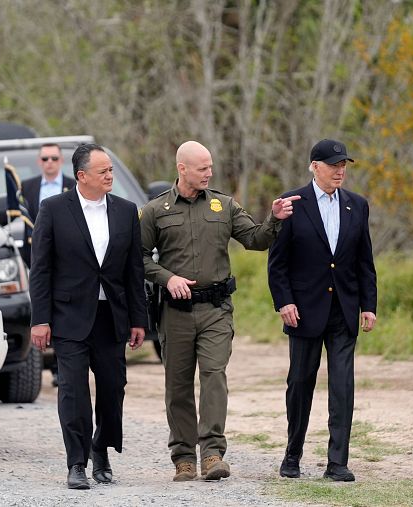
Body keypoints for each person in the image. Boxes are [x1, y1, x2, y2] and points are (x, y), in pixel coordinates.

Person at [140, 140, 299, 482]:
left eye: (210, 166)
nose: (209, 173)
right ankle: (183, 457)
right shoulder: (156, 210)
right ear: (182, 169)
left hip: (216, 310)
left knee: (214, 376)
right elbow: (137, 258)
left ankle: (212, 453)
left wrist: (274, 218)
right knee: (178, 385)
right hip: (175, 312)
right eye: (202, 168)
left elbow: (256, 239)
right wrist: (167, 278)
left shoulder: (223, 205)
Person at [29, 143, 147, 490]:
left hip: (110, 316)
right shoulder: (53, 210)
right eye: (103, 171)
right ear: (82, 176)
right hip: (68, 317)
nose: (110, 175)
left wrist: (138, 319)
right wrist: (40, 318)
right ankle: (77, 462)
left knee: (113, 388)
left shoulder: (126, 211)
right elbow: (41, 269)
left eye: (111, 170)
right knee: (73, 391)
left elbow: (133, 270)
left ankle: (101, 446)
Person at [267, 139, 377, 482]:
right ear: (315, 166)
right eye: (333, 165)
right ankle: (292, 455)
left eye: (344, 165)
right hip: (303, 310)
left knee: (343, 386)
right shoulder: (292, 203)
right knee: (300, 383)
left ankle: (337, 463)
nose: (340, 171)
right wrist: (284, 301)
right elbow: (277, 264)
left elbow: (364, 261)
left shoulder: (357, 206)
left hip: (343, 310)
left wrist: (368, 306)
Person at [20, 143, 76, 265]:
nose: (49, 162)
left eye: (54, 158)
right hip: (35, 252)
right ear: (39, 161)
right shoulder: (27, 186)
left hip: (66, 252)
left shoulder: (74, 186)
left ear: (61, 160)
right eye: (45, 158)